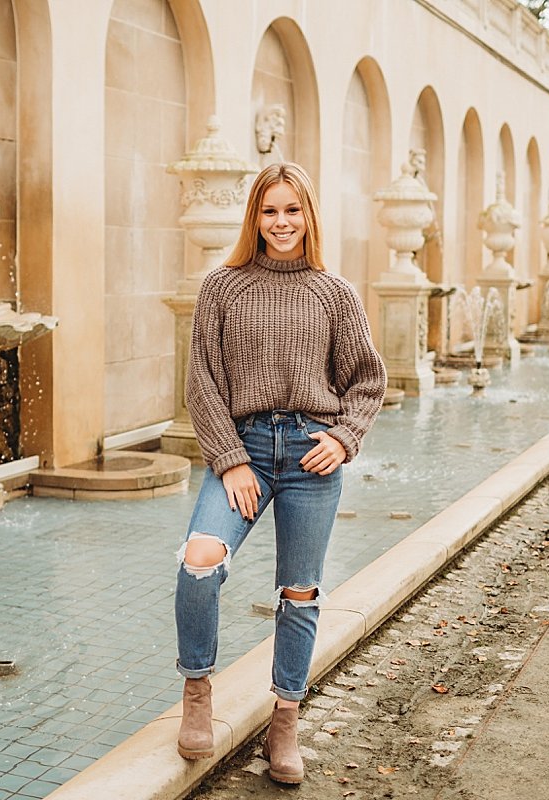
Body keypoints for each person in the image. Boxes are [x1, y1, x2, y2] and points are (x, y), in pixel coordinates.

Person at [173, 162, 387, 784]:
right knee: (200, 558)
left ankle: (285, 718)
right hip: (243, 448)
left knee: (300, 592)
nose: (281, 222)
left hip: (308, 452)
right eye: (270, 211)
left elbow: (367, 381)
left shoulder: (334, 292)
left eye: (292, 210)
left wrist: (345, 439)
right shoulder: (223, 286)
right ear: (255, 218)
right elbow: (202, 383)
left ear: (308, 216)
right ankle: (197, 692)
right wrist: (232, 459)